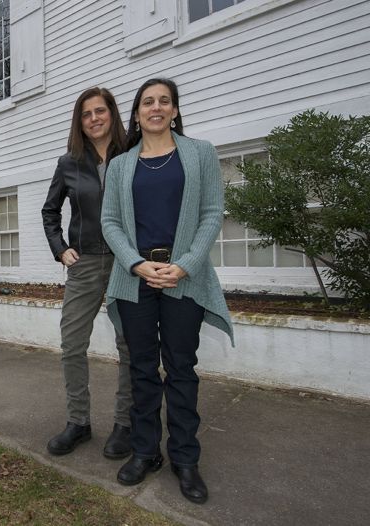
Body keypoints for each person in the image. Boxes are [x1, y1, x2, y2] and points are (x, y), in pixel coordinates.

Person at [100, 78, 234, 504]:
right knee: (141, 370)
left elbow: (212, 212)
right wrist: (137, 264)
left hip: (183, 278)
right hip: (135, 278)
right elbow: (110, 223)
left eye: (164, 101)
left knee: (180, 369)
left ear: (175, 109)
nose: (155, 108)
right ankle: (144, 452)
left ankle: (185, 458)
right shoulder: (120, 165)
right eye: (147, 102)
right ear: (137, 113)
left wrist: (185, 265)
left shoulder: (200, 153)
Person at [42, 87, 133, 460]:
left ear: (112, 113)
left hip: (126, 263)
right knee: (72, 345)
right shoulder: (69, 163)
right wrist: (60, 249)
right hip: (84, 266)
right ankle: (78, 422)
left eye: (100, 111)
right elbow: (50, 212)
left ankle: (125, 424)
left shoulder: (133, 154)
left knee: (130, 346)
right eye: (86, 114)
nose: (94, 118)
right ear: (79, 122)